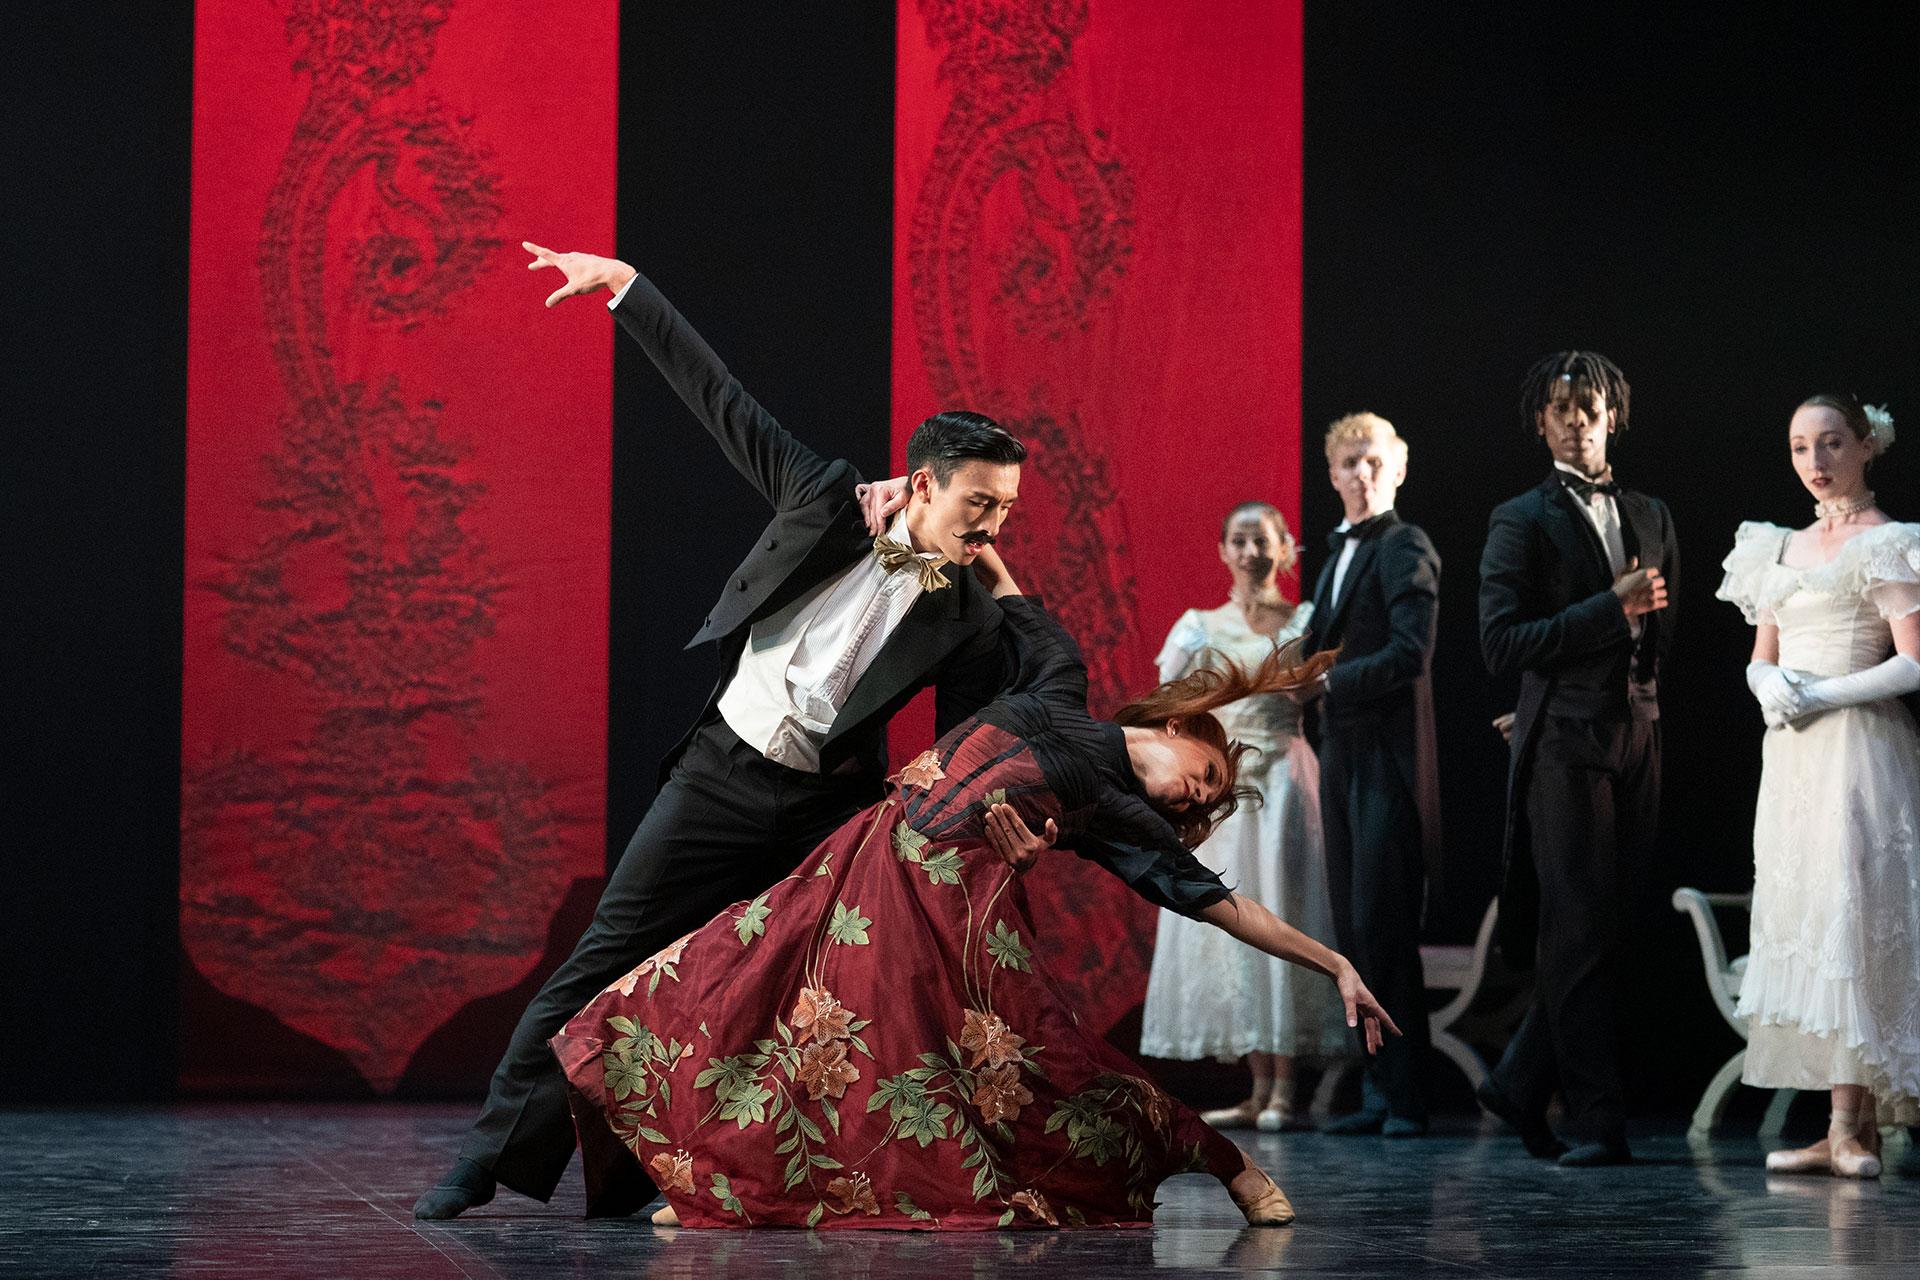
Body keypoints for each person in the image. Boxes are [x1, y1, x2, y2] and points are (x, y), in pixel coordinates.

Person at [411, 243, 1027, 1220]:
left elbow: (968, 742)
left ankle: (667, 1179)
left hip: (826, 808)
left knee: (760, 999)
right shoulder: (823, 494)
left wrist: (985, 809)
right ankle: (483, 1160)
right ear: (919, 484)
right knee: (604, 959)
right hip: (723, 773)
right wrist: (625, 289)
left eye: (1005, 509)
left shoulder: (970, 613)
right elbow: (720, 398)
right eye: (978, 503)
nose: (992, 525)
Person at [550, 544, 1398, 1230]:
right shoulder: (1059, 676)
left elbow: (1226, 906)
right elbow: (1002, 578)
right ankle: (714, 1186)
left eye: (1207, 803)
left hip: (951, 916)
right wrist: (963, 528)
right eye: (1206, 773)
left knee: (1050, 1067)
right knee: (745, 994)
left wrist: (1334, 964)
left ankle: (1230, 1165)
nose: (1196, 795)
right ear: (1176, 726)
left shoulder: (1116, 815)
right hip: (864, 867)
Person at [1477, 351, 1678, 1167]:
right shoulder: (1520, 517)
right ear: (1540, 422)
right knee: (1578, 925)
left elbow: (1663, 639)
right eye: (1560, 408)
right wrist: (1608, 609)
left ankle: (1520, 1080)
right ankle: (1598, 1118)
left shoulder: (1653, 512)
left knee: (1613, 925)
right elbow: (1500, 641)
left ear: (1612, 417)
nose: (1575, 420)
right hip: (1564, 738)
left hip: (1636, 730)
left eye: (1588, 407)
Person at [1716, 394, 1920, 1178]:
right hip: (1794, 759)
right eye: (1802, 447)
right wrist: (1766, 681)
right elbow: (1762, 648)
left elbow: (1912, 660)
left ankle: (1847, 1128)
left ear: (1866, 447)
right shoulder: (1779, 546)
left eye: (1832, 444)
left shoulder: (1887, 543)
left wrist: (1820, 694)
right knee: (1810, 914)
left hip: (1857, 749)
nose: (1817, 462)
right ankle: (1843, 1132)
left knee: (1852, 915)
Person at [1139, 502, 1350, 1131]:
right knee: (1233, 919)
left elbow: (1334, 686)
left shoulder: (1309, 621)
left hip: (1285, 781)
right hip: (1222, 789)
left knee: (1283, 909)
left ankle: (1287, 1086)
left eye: (1263, 540)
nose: (1252, 551)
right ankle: (1258, 1086)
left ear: (1284, 548)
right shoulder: (1199, 627)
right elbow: (1163, 705)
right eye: (1240, 540)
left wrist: (1315, 685)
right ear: (1224, 551)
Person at [1304, 413, 1443, 1137]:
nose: (1361, 473)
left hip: (1385, 757)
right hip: (1343, 754)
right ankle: (1380, 1093)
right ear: (1332, 474)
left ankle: (1407, 1097)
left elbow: (1410, 655)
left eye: (1374, 462)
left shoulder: (1403, 543)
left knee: (1384, 923)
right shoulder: (1337, 559)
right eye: (1350, 462)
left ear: (1399, 468)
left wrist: (1325, 685)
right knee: (1357, 927)